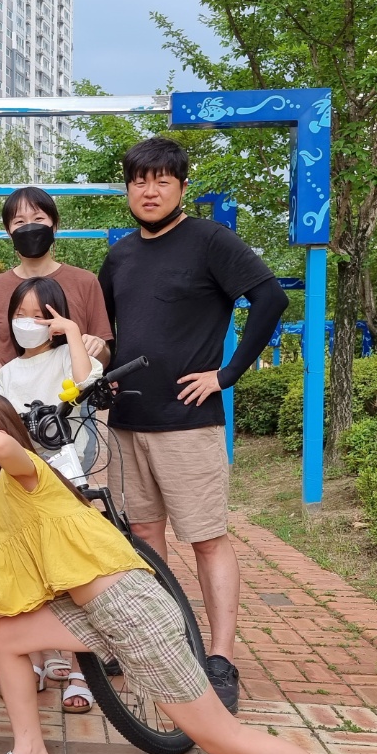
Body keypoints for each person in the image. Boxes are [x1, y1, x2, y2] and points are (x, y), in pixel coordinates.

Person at [0, 395, 377, 754]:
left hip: (130, 610)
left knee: (220, 738)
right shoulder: (7, 493)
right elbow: (21, 566)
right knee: (6, 636)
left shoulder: (26, 471)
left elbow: (1, 444)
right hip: (97, 611)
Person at [97, 137, 289, 714]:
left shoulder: (210, 240)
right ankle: (160, 642)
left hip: (188, 423)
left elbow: (270, 299)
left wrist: (227, 373)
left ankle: (221, 657)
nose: (149, 191)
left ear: (182, 186)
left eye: (162, 180)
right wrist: (102, 373)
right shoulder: (120, 255)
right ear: (128, 189)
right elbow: (106, 331)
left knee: (206, 538)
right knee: (143, 538)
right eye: (139, 181)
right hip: (127, 423)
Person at [0, 275, 103, 712]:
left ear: (55, 319)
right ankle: (32, 658)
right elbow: (2, 425)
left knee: (75, 570)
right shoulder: (9, 371)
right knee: (25, 566)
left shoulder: (67, 357)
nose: (28, 322)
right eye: (20, 314)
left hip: (67, 475)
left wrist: (74, 332)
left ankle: (81, 671)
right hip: (21, 478)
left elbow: (85, 381)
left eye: (40, 315)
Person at [0, 187, 113, 372]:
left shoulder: (85, 282)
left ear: (54, 224)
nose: (29, 227)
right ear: (8, 231)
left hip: (75, 390)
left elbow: (104, 357)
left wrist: (99, 347)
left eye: (38, 219)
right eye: (19, 221)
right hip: (14, 390)